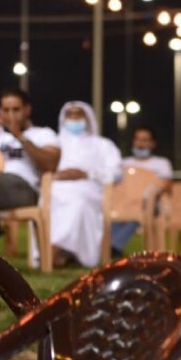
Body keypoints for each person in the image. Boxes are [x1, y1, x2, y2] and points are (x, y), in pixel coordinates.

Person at [49, 101, 123, 269]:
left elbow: (117, 172)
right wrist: (59, 176)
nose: (74, 118)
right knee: (49, 199)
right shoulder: (54, 143)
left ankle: (58, 248)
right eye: (70, 114)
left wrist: (87, 174)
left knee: (79, 200)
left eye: (78, 114)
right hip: (55, 188)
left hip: (89, 188)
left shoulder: (103, 144)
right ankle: (58, 250)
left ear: (88, 118)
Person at [0, 88, 60, 240]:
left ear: (27, 110)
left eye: (16, 110)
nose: (10, 115)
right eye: (6, 110)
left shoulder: (42, 134)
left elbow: (51, 165)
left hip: (23, 189)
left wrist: (19, 136)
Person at [110, 125, 173, 258]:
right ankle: (113, 247)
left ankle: (114, 246)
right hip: (123, 204)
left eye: (145, 140)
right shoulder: (123, 163)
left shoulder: (161, 164)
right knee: (113, 213)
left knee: (136, 213)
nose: (140, 143)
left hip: (150, 206)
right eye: (137, 139)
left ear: (153, 143)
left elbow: (166, 186)